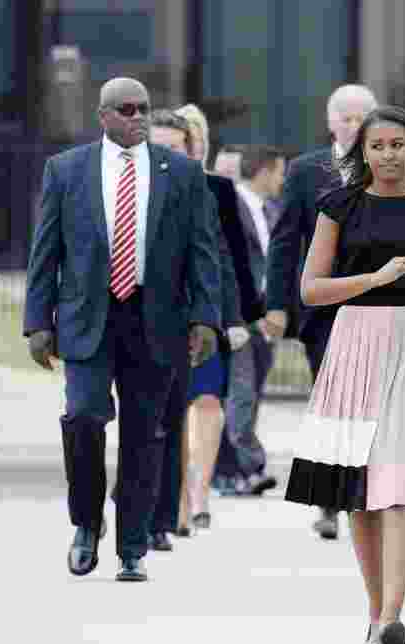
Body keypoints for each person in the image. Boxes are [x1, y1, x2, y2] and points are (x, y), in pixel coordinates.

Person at [284, 105, 405, 644]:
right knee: (359, 493)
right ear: (361, 153)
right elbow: (310, 289)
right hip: (355, 341)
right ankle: (374, 612)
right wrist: (375, 277)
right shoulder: (338, 205)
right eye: (377, 146)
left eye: (398, 144)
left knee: (403, 483)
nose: (388, 154)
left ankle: (394, 614)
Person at [23, 77, 220, 582]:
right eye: (127, 110)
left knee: (145, 434)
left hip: (156, 322)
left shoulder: (180, 172)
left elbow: (203, 252)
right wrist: (37, 324)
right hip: (88, 319)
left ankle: (132, 546)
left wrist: (204, 318)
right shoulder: (66, 170)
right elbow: (46, 252)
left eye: (145, 110)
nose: (138, 118)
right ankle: (87, 522)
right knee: (84, 417)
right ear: (103, 115)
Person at [267, 83, 378, 540]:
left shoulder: (391, 162)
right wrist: (276, 303)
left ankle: (366, 493)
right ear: (331, 121)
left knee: (370, 403)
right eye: (346, 117)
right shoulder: (306, 169)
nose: (354, 125)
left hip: (379, 304)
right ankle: (329, 500)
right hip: (325, 308)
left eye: (362, 117)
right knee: (333, 401)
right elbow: (284, 239)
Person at [171, 104, 261, 533]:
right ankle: (177, 495)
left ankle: (199, 491)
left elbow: (233, 258)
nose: (189, 143)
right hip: (165, 313)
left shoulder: (219, 190)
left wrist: (241, 315)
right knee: (173, 407)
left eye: (194, 135)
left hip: (208, 312)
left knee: (208, 400)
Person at [224, 145, 286, 496]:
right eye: (279, 171)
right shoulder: (231, 206)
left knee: (252, 393)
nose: (282, 179)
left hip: (267, 318)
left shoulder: (273, 211)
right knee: (242, 394)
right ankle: (250, 466)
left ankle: (238, 470)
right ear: (263, 171)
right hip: (241, 318)